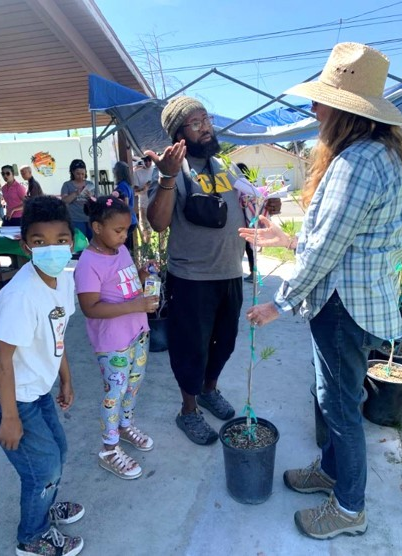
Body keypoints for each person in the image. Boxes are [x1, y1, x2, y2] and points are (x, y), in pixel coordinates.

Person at [240, 42, 402, 540]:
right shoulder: (376, 156)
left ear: (344, 110)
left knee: (339, 406)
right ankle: (331, 472)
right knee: (336, 397)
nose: (313, 108)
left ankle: (350, 507)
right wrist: (283, 237)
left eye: (321, 100)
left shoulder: (357, 163)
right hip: (352, 299)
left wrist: (279, 302)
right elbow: (338, 237)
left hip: (341, 306)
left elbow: (327, 250)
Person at [146, 96, 246, 445]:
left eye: (206, 119)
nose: (206, 127)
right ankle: (188, 410)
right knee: (191, 348)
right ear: (179, 134)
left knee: (224, 343)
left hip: (230, 272)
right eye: (196, 122)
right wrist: (168, 177)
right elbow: (157, 224)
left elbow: (242, 208)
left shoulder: (226, 166)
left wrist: (264, 203)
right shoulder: (172, 169)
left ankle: (209, 390)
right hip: (192, 279)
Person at [0, 196, 84, 556]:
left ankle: (46, 506)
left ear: (73, 240)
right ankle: (31, 537)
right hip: (14, 396)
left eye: (61, 240)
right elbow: (2, 361)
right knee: (42, 467)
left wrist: (65, 378)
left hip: (38, 389)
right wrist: (9, 417)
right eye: (39, 242)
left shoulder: (64, 281)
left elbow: (58, 334)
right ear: (25, 245)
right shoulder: (20, 295)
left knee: (58, 452)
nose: (52, 249)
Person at [74, 196, 158, 479]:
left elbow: (125, 279)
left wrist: (142, 274)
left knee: (133, 387)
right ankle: (109, 448)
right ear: (97, 227)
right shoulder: (88, 263)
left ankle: (124, 426)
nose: (123, 236)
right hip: (113, 344)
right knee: (115, 392)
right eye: (118, 230)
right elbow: (90, 308)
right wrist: (135, 306)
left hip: (137, 333)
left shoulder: (119, 250)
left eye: (126, 230)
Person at [236, 162, 281, 282]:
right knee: (250, 250)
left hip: (243, 225)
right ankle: (252, 272)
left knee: (247, 249)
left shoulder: (243, 187)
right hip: (248, 225)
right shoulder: (251, 187)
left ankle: (252, 273)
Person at [61, 159, 95, 241]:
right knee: (79, 241)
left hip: (90, 218)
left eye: (83, 174)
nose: (81, 176)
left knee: (93, 241)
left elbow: (97, 200)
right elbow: (64, 201)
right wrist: (76, 193)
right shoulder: (67, 185)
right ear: (72, 172)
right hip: (75, 219)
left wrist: (91, 196)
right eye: (78, 174)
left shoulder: (90, 184)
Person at [112, 161, 137, 252]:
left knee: (122, 247)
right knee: (127, 246)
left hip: (126, 220)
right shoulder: (128, 185)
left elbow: (125, 203)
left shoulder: (122, 186)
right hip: (131, 219)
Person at [133, 156, 154, 243]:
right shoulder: (137, 172)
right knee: (146, 229)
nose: (148, 162)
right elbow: (135, 191)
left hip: (156, 203)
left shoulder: (156, 170)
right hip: (143, 205)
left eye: (150, 160)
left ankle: (162, 252)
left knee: (161, 228)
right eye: (145, 160)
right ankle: (147, 251)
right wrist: (144, 188)